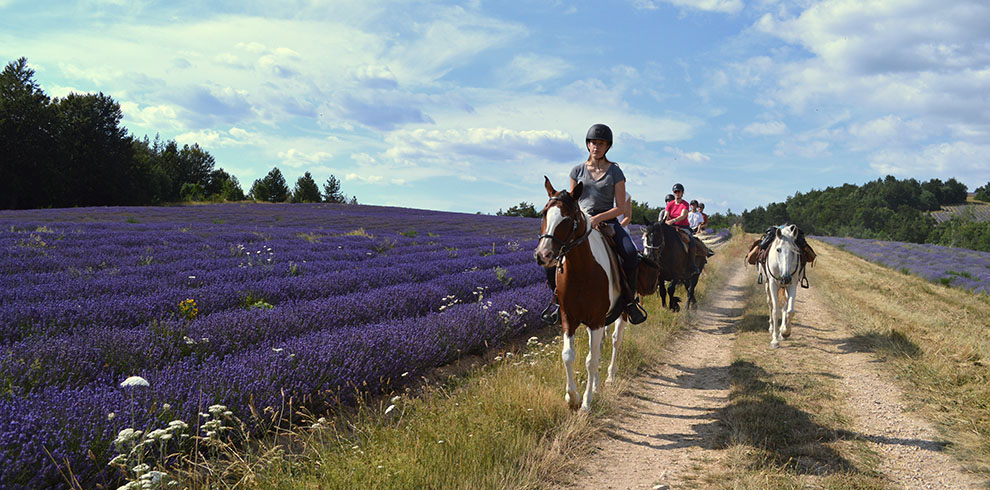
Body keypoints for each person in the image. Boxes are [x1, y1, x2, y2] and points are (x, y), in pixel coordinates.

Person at [541, 123, 648, 326]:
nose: (596, 147)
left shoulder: (616, 172)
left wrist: (599, 218)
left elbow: (621, 209)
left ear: (607, 147)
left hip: (607, 221)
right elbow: (573, 202)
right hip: (581, 221)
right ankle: (557, 302)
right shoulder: (577, 171)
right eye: (593, 143)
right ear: (587, 145)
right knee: (551, 257)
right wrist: (584, 218)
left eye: (600, 143)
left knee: (630, 254)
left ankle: (629, 302)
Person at [663, 183, 701, 277]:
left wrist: (673, 221)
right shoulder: (670, 204)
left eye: (679, 191)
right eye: (675, 191)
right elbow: (666, 214)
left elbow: (683, 215)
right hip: (671, 227)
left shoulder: (685, 204)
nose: (677, 193)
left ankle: (692, 264)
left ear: (682, 193)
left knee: (691, 241)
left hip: (683, 227)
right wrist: (662, 222)